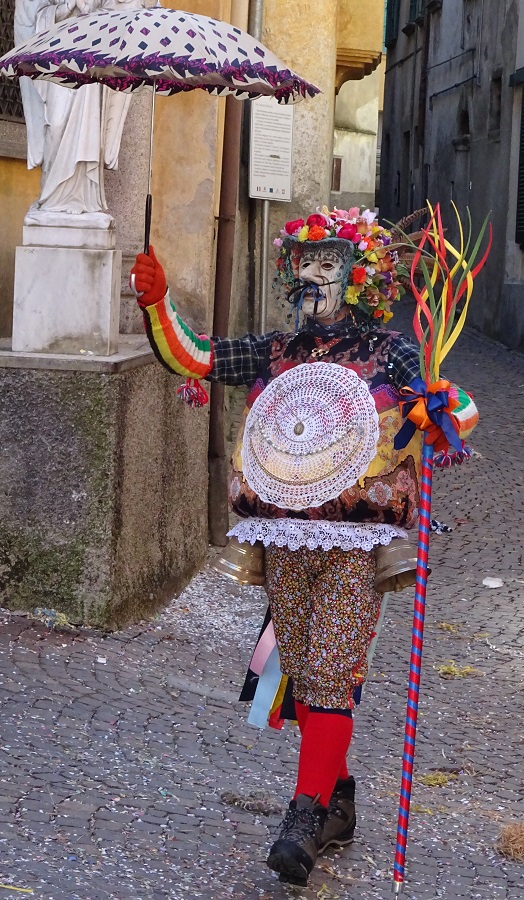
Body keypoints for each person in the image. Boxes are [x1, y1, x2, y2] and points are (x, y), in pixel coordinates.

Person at [130, 207, 478, 887]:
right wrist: (156, 301)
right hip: (284, 541)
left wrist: (437, 412)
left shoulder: (392, 351)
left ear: (361, 280)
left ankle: (304, 816)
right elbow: (196, 356)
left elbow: (457, 405)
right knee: (299, 672)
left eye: (327, 266)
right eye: (304, 265)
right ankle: (339, 797)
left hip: (354, 543)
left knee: (329, 673)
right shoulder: (275, 352)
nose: (310, 277)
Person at [14, 0, 141, 215]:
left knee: (89, 129)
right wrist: (65, 10)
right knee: (55, 123)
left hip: (89, 65)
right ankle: (52, 197)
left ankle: (83, 199)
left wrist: (94, 14)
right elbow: (40, 18)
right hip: (58, 62)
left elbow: (119, 19)